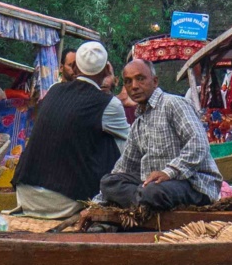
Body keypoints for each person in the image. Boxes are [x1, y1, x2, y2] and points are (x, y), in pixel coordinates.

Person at [93, 59, 222, 219]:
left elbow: (199, 145)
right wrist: (96, 204)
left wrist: (169, 172)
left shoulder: (174, 104)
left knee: (153, 192)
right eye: (128, 81)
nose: (134, 86)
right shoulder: (138, 122)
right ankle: (143, 201)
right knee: (108, 182)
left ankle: (143, 201)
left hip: (193, 183)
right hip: (153, 187)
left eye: (140, 78)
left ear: (154, 81)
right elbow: (124, 168)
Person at [12, 41, 127, 216]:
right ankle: (111, 200)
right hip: (65, 200)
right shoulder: (108, 103)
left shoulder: (53, 90)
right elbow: (132, 142)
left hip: (25, 195)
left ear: (75, 67)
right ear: (106, 70)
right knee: (117, 141)